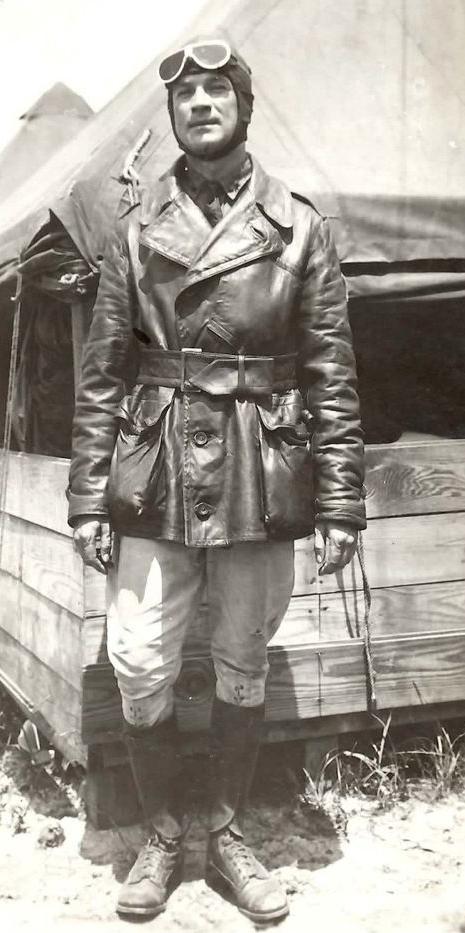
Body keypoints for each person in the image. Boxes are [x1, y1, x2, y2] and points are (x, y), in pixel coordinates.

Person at [69, 36, 366, 923]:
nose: (200, 104)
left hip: (262, 466)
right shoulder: (133, 231)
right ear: (172, 117)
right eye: (185, 95)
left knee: (242, 658)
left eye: (215, 91)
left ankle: (226, 831)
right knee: (138, 658)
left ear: (242, 107)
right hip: (155, 463)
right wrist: (88, 494)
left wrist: (342, 500)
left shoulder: (300, 227)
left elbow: (332, 371)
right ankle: (164, 830)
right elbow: (101, 374)